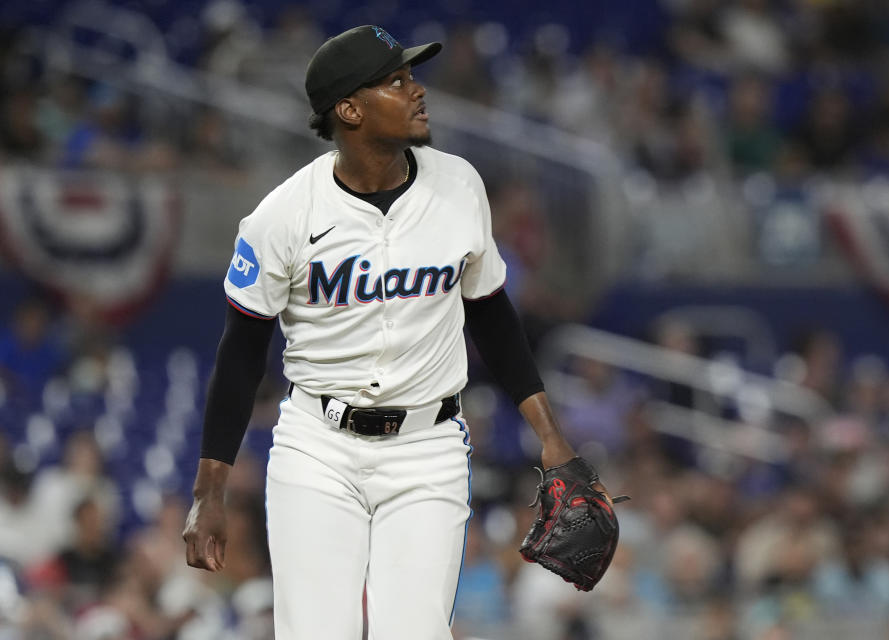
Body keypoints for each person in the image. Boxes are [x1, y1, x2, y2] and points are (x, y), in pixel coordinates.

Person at [182, 25, 611, 639]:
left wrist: (550, 437)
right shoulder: (281, 216)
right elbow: (241, 354)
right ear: (349, 110)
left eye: (412, 77)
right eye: (397, 81)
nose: (418, 92)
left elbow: (491, 313)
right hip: (317, 449)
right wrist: (210, 490)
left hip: (427, 447)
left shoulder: (459, 185)